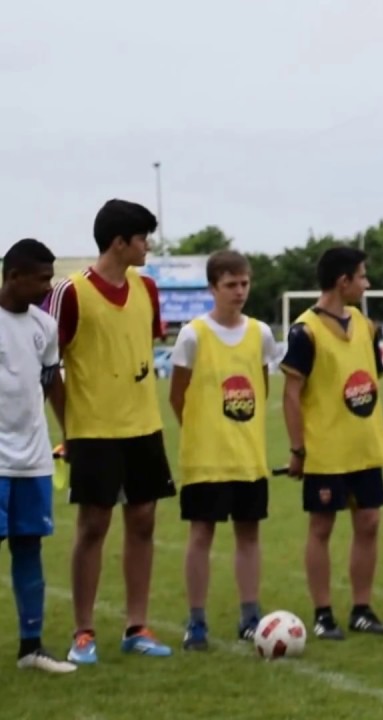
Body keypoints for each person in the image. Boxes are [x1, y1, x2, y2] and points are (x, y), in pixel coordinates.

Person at [47, 199, 174, 663]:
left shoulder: (148, 289)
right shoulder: (71, 293)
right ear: (120, 242)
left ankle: (136, 626)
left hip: (143, 426)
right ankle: (83, 631)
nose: (148, 246)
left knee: (143, 522)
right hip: (92, 431)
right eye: (143, 238)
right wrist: (71, 428)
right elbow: (48, 367)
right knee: (93, 525)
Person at [169, 251, 282, 650]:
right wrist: (202, 433)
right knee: (201, 534)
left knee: (248, 534)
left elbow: (262, 387)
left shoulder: (261, 334)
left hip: (248, 457)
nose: (239, 291)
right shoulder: (193, 335)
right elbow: (177, 395)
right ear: (213, 287)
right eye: (231, 285)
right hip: (206, 460)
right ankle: (196, 621)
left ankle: (250, 616)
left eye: (244, 283)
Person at [281, 246, 383, 639]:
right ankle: (323, 613)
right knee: (322, 528)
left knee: (369, 523)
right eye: (362, 276)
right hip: (325, 450)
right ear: (343, 281)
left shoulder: (365, 324)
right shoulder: (304, 330)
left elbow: (372, 379)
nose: (367, 283)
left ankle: (362, 609)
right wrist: (297, 448)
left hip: (364, 446)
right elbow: (291, 393)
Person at [0, 239, 76, 673]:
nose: (48, 287)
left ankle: (32, 647)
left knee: (29, 549)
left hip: (33, 460)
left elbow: (52, 381)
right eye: (41, 278)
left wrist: (71, 433)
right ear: (14, 276)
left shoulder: (43, 326)